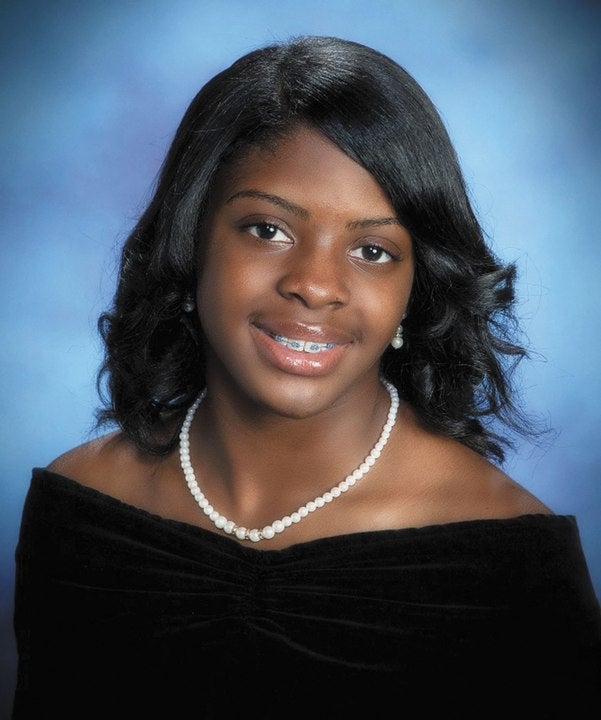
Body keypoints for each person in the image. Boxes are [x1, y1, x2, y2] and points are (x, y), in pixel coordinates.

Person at [12, 35, 601, 718]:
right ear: (190, 242)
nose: (315, 285)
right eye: (268, 230)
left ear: (415, 289)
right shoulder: (81, 507)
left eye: (372, 250)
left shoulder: (510, 558)